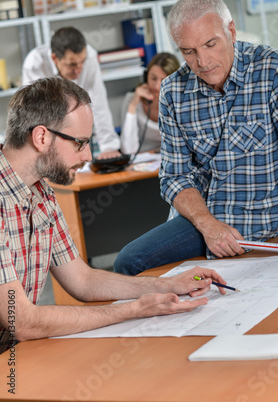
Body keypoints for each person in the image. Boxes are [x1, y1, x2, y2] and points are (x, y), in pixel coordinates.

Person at [0, 77, 228, 354]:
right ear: (41, 137)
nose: (87, 155)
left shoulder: (42, 194)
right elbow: (22, 321)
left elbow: (83, 281)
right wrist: (135, 309)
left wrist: (164, 285)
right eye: (80, 143)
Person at [114, 0, 278, 276]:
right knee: (127, 263)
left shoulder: (272, 69)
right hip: (199, 222)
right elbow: (173, 177)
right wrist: (207, 225)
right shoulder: (173, 91)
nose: (202, 61)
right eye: (189, 51)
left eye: (210, 44)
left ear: (230, 31)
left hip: (256, 222)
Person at [22, 26, 121, 159]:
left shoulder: (90, 55)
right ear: (54, 58)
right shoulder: (34, 64)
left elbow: (99, 101)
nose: (78, 70)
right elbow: (35, 115)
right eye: (72, 65)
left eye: (82, 63)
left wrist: (109, 146)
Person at [120, 52, 179, 154]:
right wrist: (133, 105)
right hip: (142, 162)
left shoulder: (183, 101)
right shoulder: (132, 99)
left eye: (164, 80)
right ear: (145, 76)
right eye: (153, 78)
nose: (157, 86)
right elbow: (128, 150)